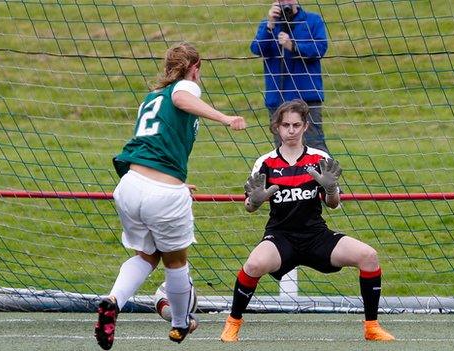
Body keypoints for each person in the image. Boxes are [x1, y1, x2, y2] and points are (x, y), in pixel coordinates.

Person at [94, 42, 246, 350]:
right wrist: (226, 118)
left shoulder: (150, 98)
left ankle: (112, 301)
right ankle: (179, 324)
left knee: (147, 256)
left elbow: (155, 144)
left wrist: (176, 182)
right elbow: (181, 97)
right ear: (194, 69)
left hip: (131, 183)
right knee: (176, 261)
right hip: (160, 192)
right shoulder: (185, 87)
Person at [219, 99, 394, 342]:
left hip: (315, 235)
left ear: (305, 127)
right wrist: (256, 201)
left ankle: (372, 327)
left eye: (296, 125)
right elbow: (249, 206)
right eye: (286, 125)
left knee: (368, 256)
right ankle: (232, 324)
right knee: (253, 265)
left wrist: (331, 189)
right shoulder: (265, 163)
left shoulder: (319, 158)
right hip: (280, 237)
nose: (291, 130)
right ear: (276, 127)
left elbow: (332, 204)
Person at [251, 0, 330, 153]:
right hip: (278, 98)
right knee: (283, 149)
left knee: (315, 146)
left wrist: (293, 46)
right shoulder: (268, 24)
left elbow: (320, 48)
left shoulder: (313, 20)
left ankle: (325, 177)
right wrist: (270, 26)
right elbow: (257, 48)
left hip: (306, 97)